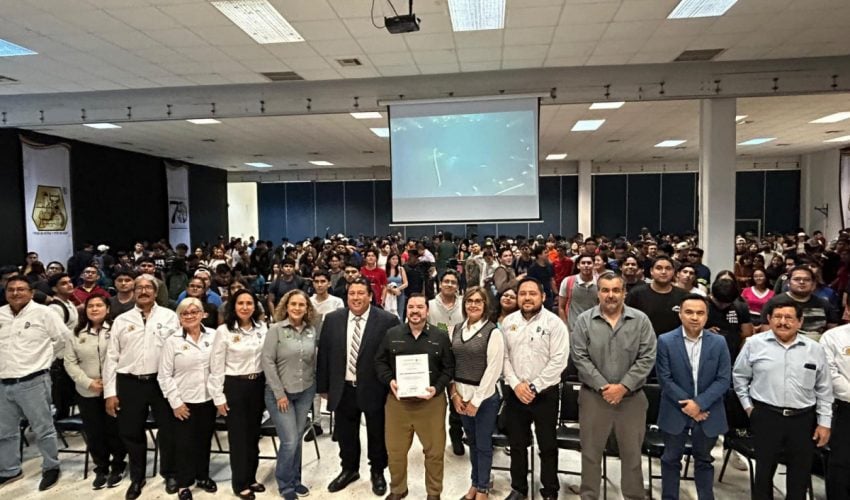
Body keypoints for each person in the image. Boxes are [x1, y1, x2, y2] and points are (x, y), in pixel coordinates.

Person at [733, 296, 833, 500]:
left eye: (789, 317)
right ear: (768, 319)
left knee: (799, 474)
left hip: (803, 419)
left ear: (800, 322)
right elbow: (739, 377)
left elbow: (824, 388)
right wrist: (748, 407)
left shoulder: (814, 349)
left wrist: (824, 423)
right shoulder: (754, 344)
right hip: (766, 416)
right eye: (777, 316)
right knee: (763, 473)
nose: (783, 322)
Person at [571, 271, 656, 500]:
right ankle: (589, 496)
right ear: (598, 293)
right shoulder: (584, 321)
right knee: (590, 453)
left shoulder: (641, 321)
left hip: (632, 399)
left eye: (616, 290)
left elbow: (647, 357)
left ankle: (634, 496)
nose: (611, 295)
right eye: (605, 290)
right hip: (593, 398)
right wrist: (603, 387)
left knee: (632, 455)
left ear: (624, 293)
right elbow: (579, 357)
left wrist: (623, 387)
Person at [316, 277, 400, 495]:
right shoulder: (333, 319)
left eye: (361, 293)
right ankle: (349, 469)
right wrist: (323, 386)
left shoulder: (387, 320)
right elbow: (324, 354)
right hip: (342, 388)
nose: (356, 298)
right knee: (345, 433)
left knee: (377, 432)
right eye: (352, 293)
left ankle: (378, 471)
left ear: (370, 296)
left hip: (375, 388)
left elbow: (394, 357)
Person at [102, 274, 180, 500]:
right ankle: (137, 477)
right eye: (139, 288)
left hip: (160, 382)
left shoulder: (169, 317)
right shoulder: (121, 320)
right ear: (133, 292)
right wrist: (110, 392)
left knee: (168, 430)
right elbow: (111, 358)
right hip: (129, 383)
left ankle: (170, 472)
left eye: (148, 287)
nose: (144, 291)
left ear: (156, 293)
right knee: (131, 432)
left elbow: (176, 351)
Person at [375, 294, 454, 500]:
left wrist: (436, 389)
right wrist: (389, 380)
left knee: (435, 452)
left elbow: (449, 369)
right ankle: (398, 489)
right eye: (411, 307)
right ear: (406, 310)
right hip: (398, 404)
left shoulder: (440, 336)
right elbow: (380, 362)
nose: (415, 311)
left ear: (427, 311)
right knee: (396, 451)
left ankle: (434, 492)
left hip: (431, 403)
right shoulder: (392, 334)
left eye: (420, 307)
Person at [656, 294, 731, 500]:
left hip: (709, 412)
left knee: (704, 460)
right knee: (670, 459)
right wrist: (689, 406)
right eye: (689, 312)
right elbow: (665, 378)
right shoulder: (665, 340)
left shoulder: (719, 342)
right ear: (680, 314)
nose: (694, 317)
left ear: (707, 317)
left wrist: (699, 404)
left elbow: (724, 379)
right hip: (675, 409)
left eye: (700, 313)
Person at [502, 278, 569, 500]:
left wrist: (534, 386)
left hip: (545, 394)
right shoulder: (508, 322)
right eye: (523, 294)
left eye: (533, 293)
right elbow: (502, 358)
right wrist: (515, 384)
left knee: (547, 444)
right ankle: (518, 488)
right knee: (517, 444)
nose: (527, 298)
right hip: (515, 393)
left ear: (543, 297)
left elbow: (559, 360)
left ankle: (549, 489)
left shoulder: (555, 323)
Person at [0, 276, 68, 491]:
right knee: (5, 432)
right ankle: (10, 469)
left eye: (21, 289)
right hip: (3, 382)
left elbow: (63, 339)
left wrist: (46, 360)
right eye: (11, 289)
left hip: (34, 380)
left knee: (43, 429)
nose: (16, 293)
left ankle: (51, 466)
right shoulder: (0, 314)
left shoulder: (44, 313)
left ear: (31, 292)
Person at [209, 289, 269, 500]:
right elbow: (215, 366)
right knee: (238, 438)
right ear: (233, 306)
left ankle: (251, 477)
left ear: (255, 306)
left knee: (253, 436)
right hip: (234, 387)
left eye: (249, 303)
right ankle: (240, 482)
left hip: (257, 385)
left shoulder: (262, 328)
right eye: (241, 303)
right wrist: (218, 396)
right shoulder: (223, 331)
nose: (245, 307)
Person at [64, 295, 127, 490]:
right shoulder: (75, 333)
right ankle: (101, 467)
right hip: (87, 391)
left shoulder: (118, 329)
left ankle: (118, 464)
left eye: (99, 305)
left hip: (114, 389)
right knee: (94, 431)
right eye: (91, 305)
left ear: (108, 309)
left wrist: (110, 383)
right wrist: (88, 382)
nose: (94, 309)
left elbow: (125, 357)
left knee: (114, 429)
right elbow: (69, 362)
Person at [157, 298, 217, 500]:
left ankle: (203, 476)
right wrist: (176, 403)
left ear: (203, 314)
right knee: (183, 444)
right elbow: (164, 375)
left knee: (204, 441)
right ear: (179, 317)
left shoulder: (214, 336)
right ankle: (184, 483)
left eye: (194, 312)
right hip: (183, 402)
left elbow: (218, 369)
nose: (190, 316)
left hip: (208, 400)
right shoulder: (172, 341)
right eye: (184, 313)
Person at [262, 289, 318, 500]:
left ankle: (296, 479)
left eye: (301, 305)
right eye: (293, 304)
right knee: (289, 441)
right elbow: (267, 362)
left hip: (304, 392)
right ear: (286, 307)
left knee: (297, 439)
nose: (297, 308)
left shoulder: (311, 330)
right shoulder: (275, 330)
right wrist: (279, 394)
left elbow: (313, 360)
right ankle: (285, 484)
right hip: (280, 394)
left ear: (307, 308)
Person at [450, 287, 504, 500]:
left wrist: (476, 401)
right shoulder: (455, 330)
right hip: (461, 398)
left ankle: (482, 489)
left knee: (483, 445)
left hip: (484, 399)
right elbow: (450, 364)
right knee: (471, 443)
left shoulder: (493, 332)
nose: (473, 305)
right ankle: (474, 483)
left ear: (485, 306)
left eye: (478, 301)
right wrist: (454, 394)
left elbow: (493, 370)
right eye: (469, 301)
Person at [426, 269, 465, 455]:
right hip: (435, 361)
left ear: (457, 286)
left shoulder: (464, 305)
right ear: (440, 284)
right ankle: (432, 441)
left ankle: (457, 437)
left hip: (459, 360)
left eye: (453, 282)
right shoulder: (430, 305)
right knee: (434, 405)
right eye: (446, 281)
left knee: (457, 401)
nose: (450, 284)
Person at [760, 264, 840, 340]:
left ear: (813, 283)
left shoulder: (824, 304)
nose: (802, 282)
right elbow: (766, 333)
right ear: (788, 283)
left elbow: (832, 334)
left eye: (807, 280)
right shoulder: (774, 303)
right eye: (797, 279)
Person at [626, 256, 688, 337]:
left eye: (668, 268)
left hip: (674, 345)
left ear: (673, 272)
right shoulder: (636, 294)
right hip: (643, 343)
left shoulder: (684, 296)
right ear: (651, 271)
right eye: (659, 268)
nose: (663, 272)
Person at [558, 254, 598, 332]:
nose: (586, 265)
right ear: (578, 266)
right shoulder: (568, 281)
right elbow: (561, 307)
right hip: (574, 328)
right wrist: (565, 327)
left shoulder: (600, 283)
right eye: (583, 263)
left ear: (594, 265)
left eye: (589, 263)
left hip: (594, 328)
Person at [383, 253, 408, 320]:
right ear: (389, 260)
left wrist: (397, 289)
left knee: (400, 313)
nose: (395, 261)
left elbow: (406, 283)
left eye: (396, 259)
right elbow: (383, 284)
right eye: (393, 259)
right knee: (389, 313)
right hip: (389, 294)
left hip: (400, 294)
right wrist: (391, 289)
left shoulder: (401, 269)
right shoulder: (384, 270)